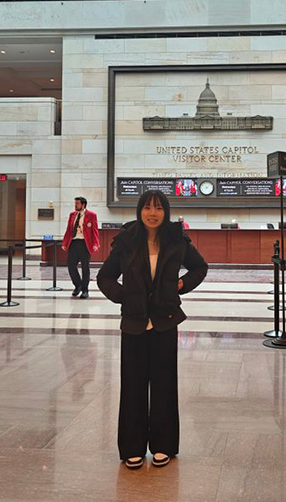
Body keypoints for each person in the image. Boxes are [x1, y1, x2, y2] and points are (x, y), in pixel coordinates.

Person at [97, 190, 208, 470]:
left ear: (165, 211)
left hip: (164, 321)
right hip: (134, 321)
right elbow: (105, 277)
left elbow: (199, 267)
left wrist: (180, 286)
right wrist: (126, 296)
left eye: (158, 208)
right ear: (139, 210)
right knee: (133, 385)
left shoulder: (176, 238)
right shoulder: (127, 239)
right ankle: (132, 447)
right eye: (147, 207)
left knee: (163, 385)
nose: (153, 213)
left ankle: (163, 446)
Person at [61, 196, 100, 299]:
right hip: (73, 243)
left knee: (85, 267)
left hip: (85, 243)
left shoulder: (91, 215)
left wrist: (96, 243)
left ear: (83, 205)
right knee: (71, 266)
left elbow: (95, 230)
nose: (75, 205)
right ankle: (78, 285)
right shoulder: (72, 215)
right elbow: (69, 230)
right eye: (75, 203)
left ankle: (85, 290)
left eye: (77, 204)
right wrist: (65, 243)